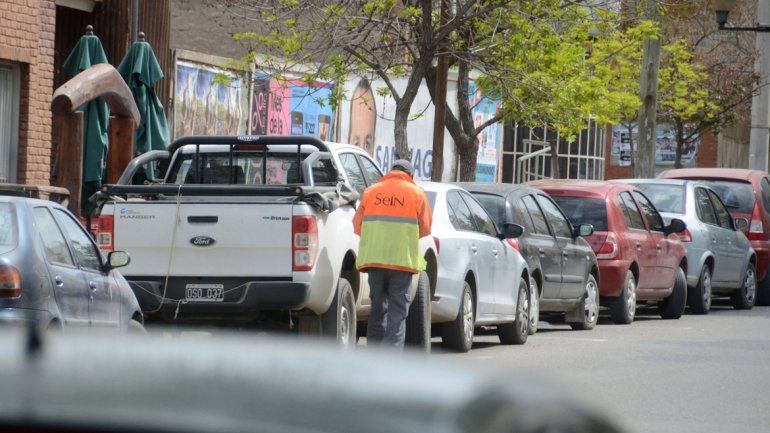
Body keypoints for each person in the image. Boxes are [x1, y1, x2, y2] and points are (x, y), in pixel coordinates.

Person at [352, 160, 432, 349]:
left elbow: (357, 226)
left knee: (377, 309)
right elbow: (426, 228)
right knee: (397, 312)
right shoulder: (417, 193)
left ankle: (374, 356)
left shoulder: (371, 192)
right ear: (409, 175)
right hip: (401, 262)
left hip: (375, 261)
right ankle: (390, 361)